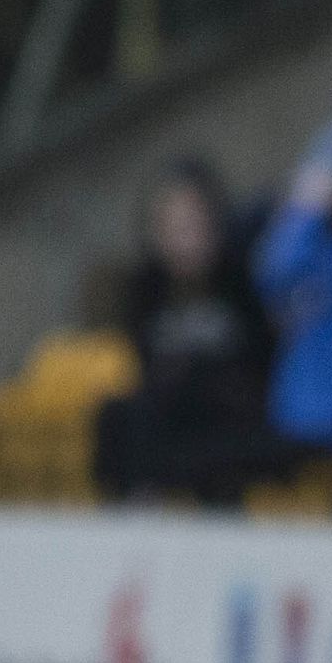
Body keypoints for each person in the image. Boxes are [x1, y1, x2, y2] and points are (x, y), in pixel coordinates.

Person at [95, 158, 280, 506]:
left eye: (192, 227)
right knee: (119, 416)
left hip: (228, 420)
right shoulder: (144, 292)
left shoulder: (242, 284)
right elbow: (142, 367)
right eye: (171, 229)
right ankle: (134, 514)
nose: (183, 242)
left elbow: (262, 363)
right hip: (171, 422)